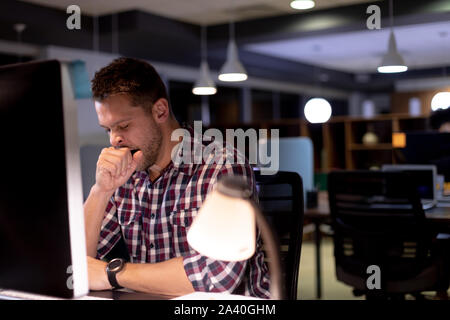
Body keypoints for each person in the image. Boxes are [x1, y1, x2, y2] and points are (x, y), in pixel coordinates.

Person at [83, 57, 270, 298]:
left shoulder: (221, 166)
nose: (114, 140)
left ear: (160, 111)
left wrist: (113, 273)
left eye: (124, 126)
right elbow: (75, 265)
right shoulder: (126, 173)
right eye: (108, 130)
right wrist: (101, 190)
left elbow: (215, 276)